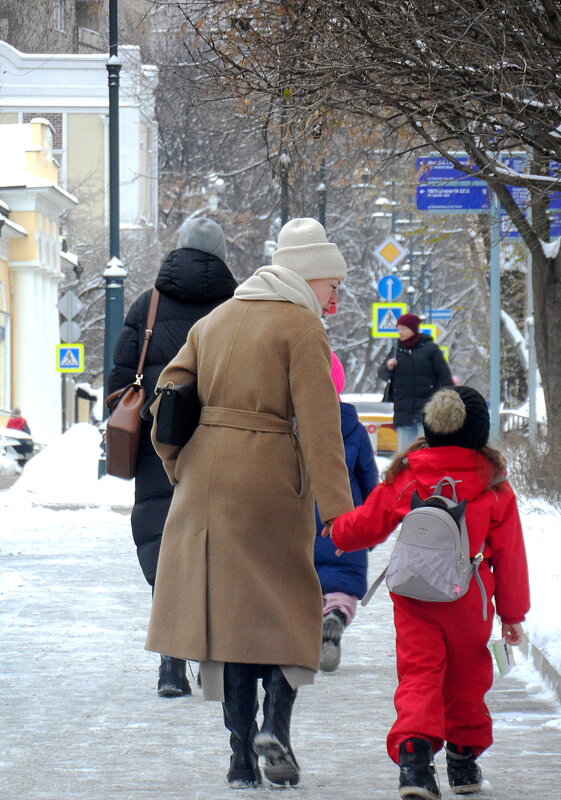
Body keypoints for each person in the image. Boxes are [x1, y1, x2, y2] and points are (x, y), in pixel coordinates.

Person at [146, 218, 355, 788]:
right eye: (332, 284)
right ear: (309, 275)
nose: (335, 297)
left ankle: (240, 756)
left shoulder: (216, 320)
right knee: (290, 613)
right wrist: (340, 512)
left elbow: (166, 401)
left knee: (233, 624)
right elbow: (320, 427)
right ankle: (276, 732)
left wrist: (178, 466)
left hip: (205, 487)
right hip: (270, 484)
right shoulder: (300, 327)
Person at [327, 386, 530, 798]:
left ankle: (415, 763)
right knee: (468, 678)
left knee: (419, 675)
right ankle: (462, 759)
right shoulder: (494, 485)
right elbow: (510, 556)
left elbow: (371, 519)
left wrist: (338, 533)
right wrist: (512, 614)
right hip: (469, 600)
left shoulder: (410, 473)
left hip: (415, 595)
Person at [107, 215, 237, 697]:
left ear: (179, 247)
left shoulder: (148, 304)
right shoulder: (237, 303)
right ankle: (214, 664)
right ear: (221, 253)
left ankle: (169, 665)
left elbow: (120, 379)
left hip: (157, 443)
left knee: (162, 543)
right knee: (218, 549)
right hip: (221, 445)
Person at [314, 351, 379, 672]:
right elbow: (370, 481)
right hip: (345, 521)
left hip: (301, 517)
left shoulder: (293, 424)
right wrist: (368, 530)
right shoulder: (353, 428)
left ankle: (309, 629)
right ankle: (336, 614)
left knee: (302, 587)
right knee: (341, 587)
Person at [378, 313, 453, 453]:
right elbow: (382, 374)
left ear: (413, 329)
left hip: (427, 411)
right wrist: (388, 367)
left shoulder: (430, 349)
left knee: (427, 450)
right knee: (405, 453)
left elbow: (445, 376)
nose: (400, 332)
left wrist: (447, 401)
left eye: (403, 329)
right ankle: (408, 475)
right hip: (403, 412)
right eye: (398, 329)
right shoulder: (396, 351)